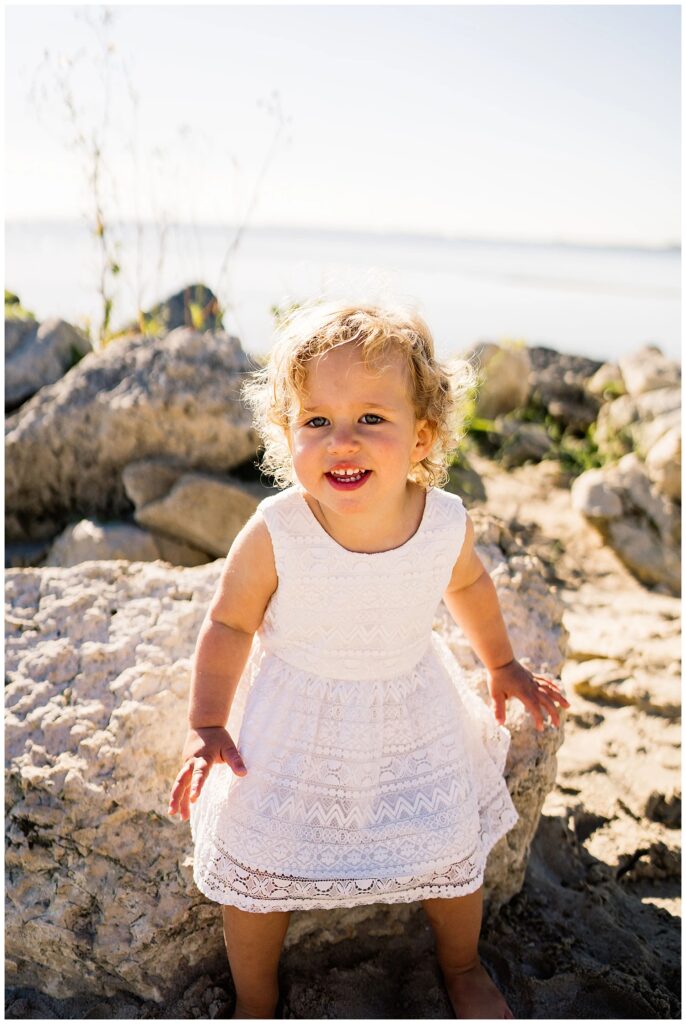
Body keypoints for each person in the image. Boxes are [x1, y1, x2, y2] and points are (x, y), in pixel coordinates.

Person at [168, 301, 569, 1020]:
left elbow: (470, 583)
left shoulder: (442, 519)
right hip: (297, 715)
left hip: (412, 707)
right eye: (316, 421)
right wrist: (207, 721)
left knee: (450, 850)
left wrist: (502, 664)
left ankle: (463, 964)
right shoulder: (279, 529)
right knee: (257, 862)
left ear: (421, 437)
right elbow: (229, 621)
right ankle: (255, 1000)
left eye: (370, 421)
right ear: (286, 433)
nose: (341, 442)